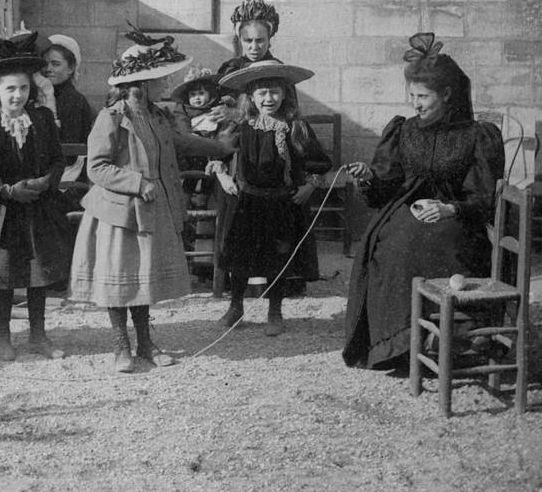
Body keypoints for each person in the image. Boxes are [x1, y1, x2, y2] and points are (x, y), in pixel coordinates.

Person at [70, 29, 236, 373]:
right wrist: (136, 182)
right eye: (160, 79)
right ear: (140, 84)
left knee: (141, 281)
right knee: (119, 283)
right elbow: (97, 168)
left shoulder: (157, 115)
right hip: (118, 214)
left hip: (149, 211)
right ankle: (121, 348)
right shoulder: (111, 118)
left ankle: (145, 345)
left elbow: (181, 142)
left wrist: (221, 148)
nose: (166, 84)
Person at [343, 33, 504, 371]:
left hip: (458, 219)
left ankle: (457, 332)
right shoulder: (404, 130)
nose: (415, 104)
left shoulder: (477, 135)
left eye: (423, 96)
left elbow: (485, 199)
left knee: (437, 240)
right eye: (412, 95)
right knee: (393, 245)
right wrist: (368, 176)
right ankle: (402, 343)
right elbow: (386, 185)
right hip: (405, 211)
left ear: (447, 95)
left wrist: (450, 209)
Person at [0, 31, 73, 361]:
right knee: (5, 274)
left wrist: (44, 183)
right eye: (11, 88)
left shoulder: (41, 119)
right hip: (1, 210)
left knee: (38, 271)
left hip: (37, 207)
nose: (18, 95)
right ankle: (2, 334)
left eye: (24, 88)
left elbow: (56, 159)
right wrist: (7, 191)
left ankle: (38, 334)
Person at [215, 61, 331, 336]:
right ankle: (236, 306)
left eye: (275, 92)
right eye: (263, 93)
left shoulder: (295, 127)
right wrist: (222, 176)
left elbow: (320, 162)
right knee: (240, 257)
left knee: (277, 257)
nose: (269, 99)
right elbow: (216, 153)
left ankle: (275, 310)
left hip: (281, 202)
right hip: (247, 201)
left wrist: (310, 186)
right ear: (251, 97)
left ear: (285, 94)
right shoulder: (241, 127)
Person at [40, 33, 94, 183]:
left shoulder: (73, 100)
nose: (48, 69)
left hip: (68, 175)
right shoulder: (47, 95)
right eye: (45, 64)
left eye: (55, 64)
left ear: (71, 68)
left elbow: (70, 153)